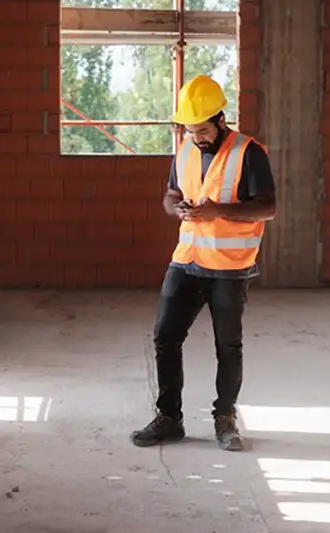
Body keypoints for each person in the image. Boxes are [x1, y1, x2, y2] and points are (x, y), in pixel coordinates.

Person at [130, 75, 277, 452]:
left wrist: (218, 211)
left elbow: (268, 207)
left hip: (229, 266)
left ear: (221, 120)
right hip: (186, 260)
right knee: (165, 337)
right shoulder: (185, 149)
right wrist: (175, 207)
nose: (196, 136)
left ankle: (225, 419)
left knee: (227, 345)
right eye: (190, 129)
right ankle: (169, 418)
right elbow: (171, 193)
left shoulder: (249, 152)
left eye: (202, 130)